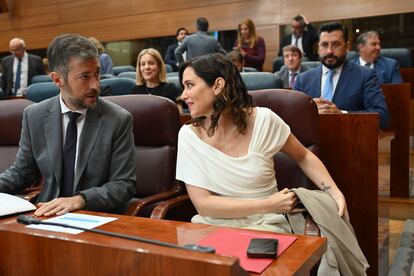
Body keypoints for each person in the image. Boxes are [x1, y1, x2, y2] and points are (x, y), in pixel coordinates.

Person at [0, 34, 136, 216]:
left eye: (96, 73)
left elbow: (124, 184)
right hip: (47, 214)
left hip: (96, 215)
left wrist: (80, 200)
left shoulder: (118, 119)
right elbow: (22, 173)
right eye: (84, 77)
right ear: (57, 80)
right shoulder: (34, 116)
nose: (95, 85)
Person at [294, 22, 389, 129]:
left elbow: (382, 117)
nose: (329, 51)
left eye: (336, 44)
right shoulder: (303, 79)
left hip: (350, 141)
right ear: (318, 47)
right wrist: (308, 111)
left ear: (347, 46)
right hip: (310, 144)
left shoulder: (365, 75)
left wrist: (342, 114)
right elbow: (291, 118)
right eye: (324, 45)